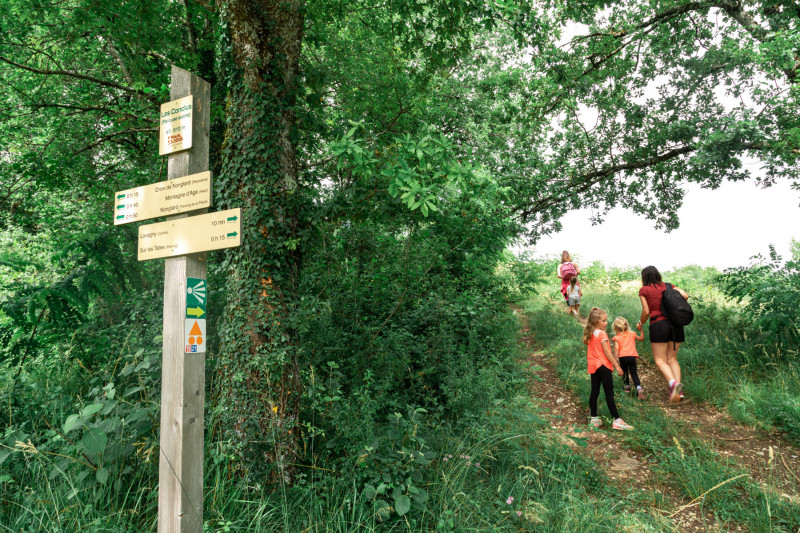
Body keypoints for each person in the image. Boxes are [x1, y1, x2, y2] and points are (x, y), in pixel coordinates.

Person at [637, 266, 690, 403]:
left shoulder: (644, 290)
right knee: (672, 358)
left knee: (660, 360)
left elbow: (646, 312)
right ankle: (678, 392)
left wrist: (641, 324)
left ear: (644, 277)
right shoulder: (668, 286)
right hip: (675, 324)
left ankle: (673, 383)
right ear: (658, 275)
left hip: (658, 324)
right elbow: (685, 295)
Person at [582, 307, 634, 430]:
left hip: (594, 366)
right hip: (604, 366)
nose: (606, 323)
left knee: (594, 392)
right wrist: (617, 366)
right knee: (609, 394)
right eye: (604, 321)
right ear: (596, 322)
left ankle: (594, 419)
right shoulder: (602, 334)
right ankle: (617, 420)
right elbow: (607, 352)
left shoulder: (590, 333)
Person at [612, 317, 645, 399]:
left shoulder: (617, 337)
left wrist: (616, 359)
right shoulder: (632, 334)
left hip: (623, 357)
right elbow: (641, 338)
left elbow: (616, 348)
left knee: (625, 372)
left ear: (615, 328)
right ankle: (638, 388)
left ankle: (627, 387)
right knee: (634, 373)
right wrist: (641, 330)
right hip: (632, 357)